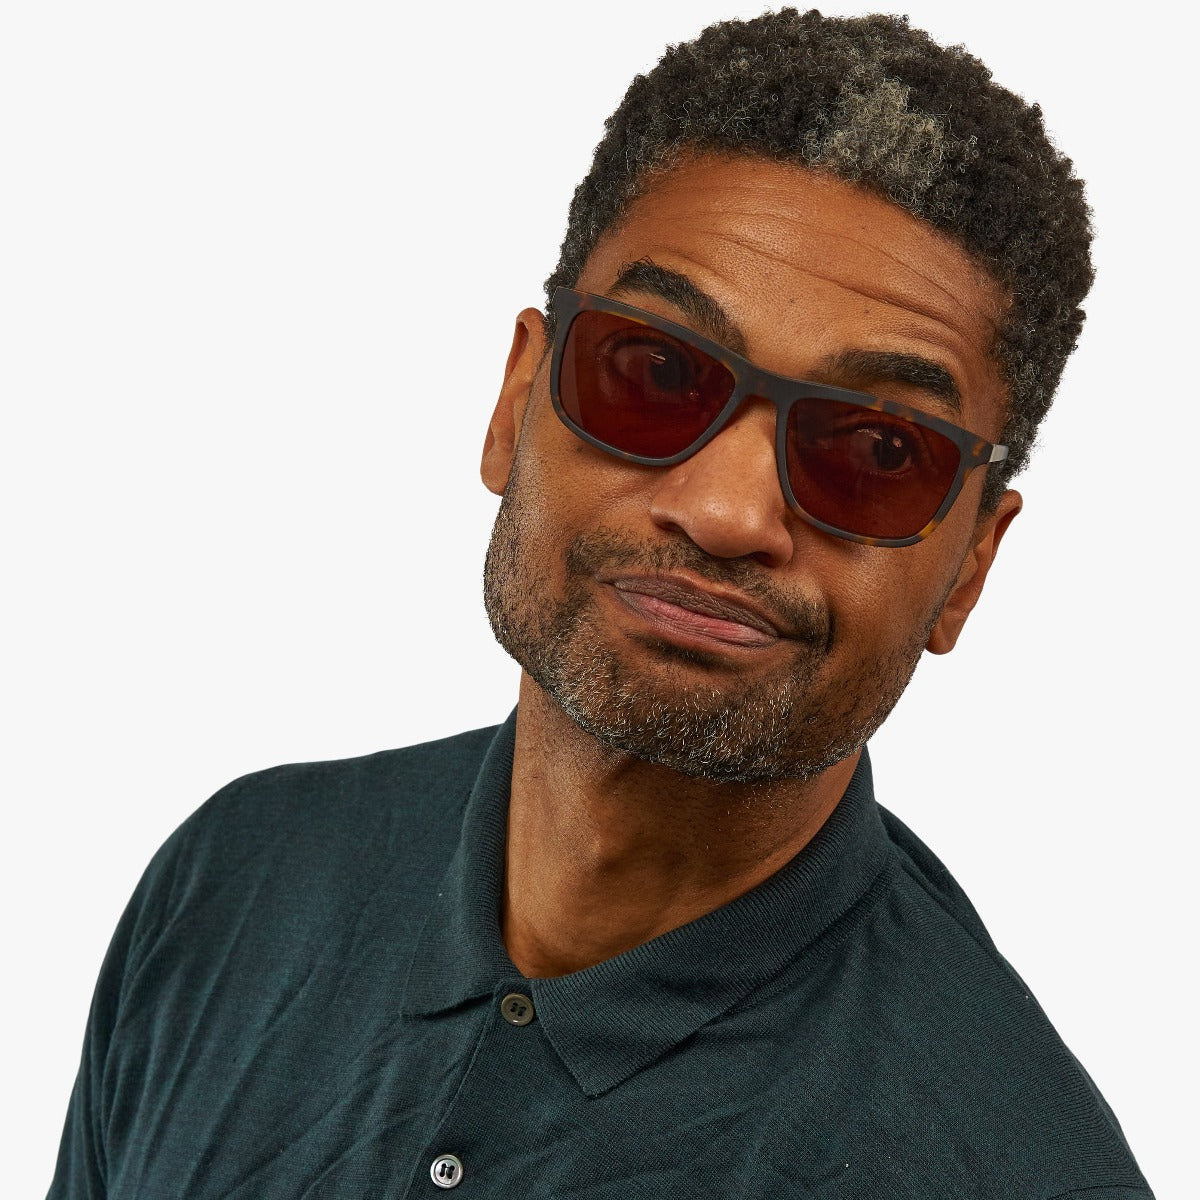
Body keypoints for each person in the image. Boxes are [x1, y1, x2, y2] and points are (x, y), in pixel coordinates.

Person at [49, 9, 1154, 1197]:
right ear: (515, 401)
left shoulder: (1019, 1172)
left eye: (879, 451)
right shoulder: (233, 883)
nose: (728, 512)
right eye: (659, 371)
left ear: (970, 565)